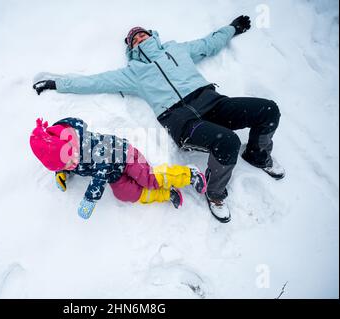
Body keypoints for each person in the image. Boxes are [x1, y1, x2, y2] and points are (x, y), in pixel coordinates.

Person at [32, 15, 285, 223]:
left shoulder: (177, 50)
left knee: (268, 110)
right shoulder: (134, 72)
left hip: (213, 101)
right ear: (130, 48)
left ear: (152, 35)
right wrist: (59, 83)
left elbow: (209, 44)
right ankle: (216, 193)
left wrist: (232, 28)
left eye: (142, 34)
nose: (139, 38)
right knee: (227, 142)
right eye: (134, 39)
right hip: (181, 119)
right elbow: (96, 81)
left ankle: (257, 154)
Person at [30, 117, 207, 219]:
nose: (70, 166)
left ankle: (188, 174)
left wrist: (90, 197)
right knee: (125, 194)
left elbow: (101, 171)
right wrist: (62, 171)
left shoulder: (88, 144)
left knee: (148, 179)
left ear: (70, 145)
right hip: (114, 174)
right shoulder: (65, 152)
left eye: (69, 163)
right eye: (65, 165)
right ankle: (167, 194)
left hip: (125, 156)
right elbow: (62, 160)